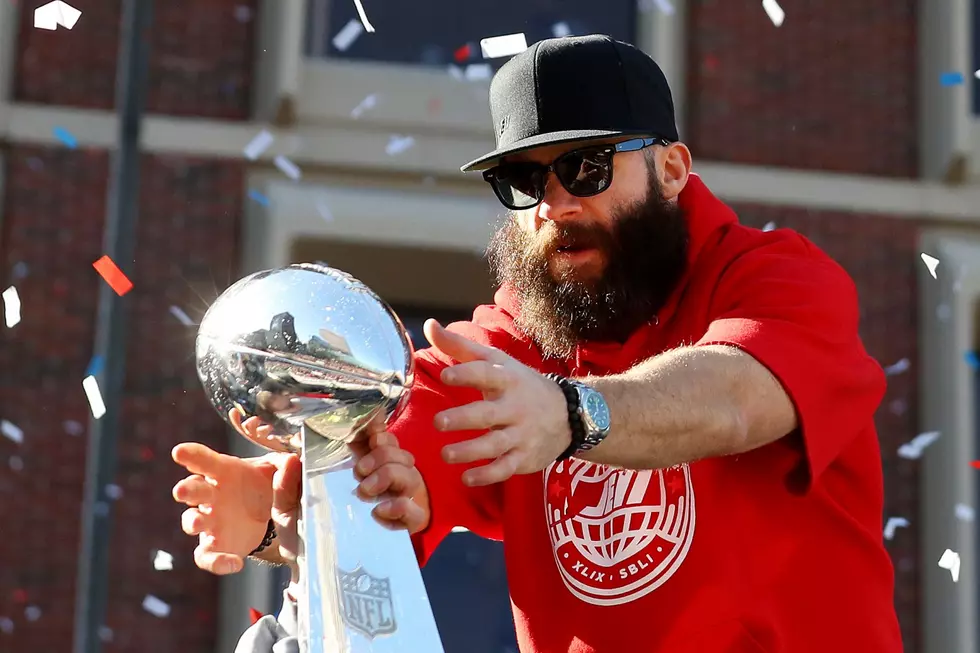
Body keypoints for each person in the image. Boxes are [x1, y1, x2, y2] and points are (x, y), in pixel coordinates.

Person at [173, 34, 904, 653]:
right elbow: (403, 462)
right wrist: (306, 497)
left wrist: (572, 414)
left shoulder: (777, 277)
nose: (555, 205)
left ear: (673, 168)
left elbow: (737, 396)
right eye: (522, 181)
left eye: (585, 167)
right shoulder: (516, 334)